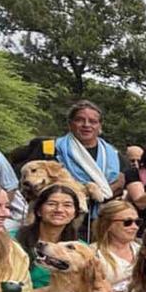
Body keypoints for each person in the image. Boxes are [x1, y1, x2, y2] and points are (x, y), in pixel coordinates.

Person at [54, 100, 124, 234]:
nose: (86, 125)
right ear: (70, 123)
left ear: (99, 126)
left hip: (101, 221)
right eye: (80, 120)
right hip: (62, 217)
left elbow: (122, 184)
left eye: (93, 121)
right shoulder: (54, 149)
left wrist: (104, 192)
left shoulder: (113, 155)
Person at [14, 184, 83, 290]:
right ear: (38, 211)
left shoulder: (81, 248)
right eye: (51, 204)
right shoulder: (12, 240)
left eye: (67, 205)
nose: (59, 209)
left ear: (75, 213)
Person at [93, 200, 141, 284]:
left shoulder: (144, 249)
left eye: (137, 222)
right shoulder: (93, 253)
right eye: (127, 222)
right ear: (108, 225)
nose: (135, 227)